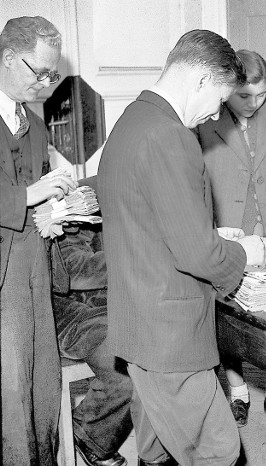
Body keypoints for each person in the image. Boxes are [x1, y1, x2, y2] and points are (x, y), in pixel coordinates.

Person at [97, 30, 265, 466]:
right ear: (202, 80)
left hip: (139, 324)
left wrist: (207, 234)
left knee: (156, 448)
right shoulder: (171, 135)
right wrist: (249, 253)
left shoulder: (133, 119)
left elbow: (145, 218)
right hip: (170, 336)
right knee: (219, 451)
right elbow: (198, 257)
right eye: (220, 100)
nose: (214, 116)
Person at [196, 49, 266, 427]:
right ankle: (239, 391)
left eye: (262, 95)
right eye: (246, 96)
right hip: (229, 232)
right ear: (228, 89)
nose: (255, 104)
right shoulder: (205, 120)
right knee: (231, 316)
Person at [0, 16, 77, 465]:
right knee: (11, 387)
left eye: (53, 74)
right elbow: (23, 192)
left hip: (34, 261)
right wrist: (31, 196)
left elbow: (36, 194)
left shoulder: (33, 121)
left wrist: (54, 210)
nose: (47, 83)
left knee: (43, 377)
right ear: (9, 59)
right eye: (39, 72)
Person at [51, 223, 133, 466]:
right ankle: (89, 434)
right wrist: (139, 256)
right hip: (64, 311)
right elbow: (72, 268)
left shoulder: (95, 202)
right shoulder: (43, 205)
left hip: (104, 304)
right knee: (126, 367)